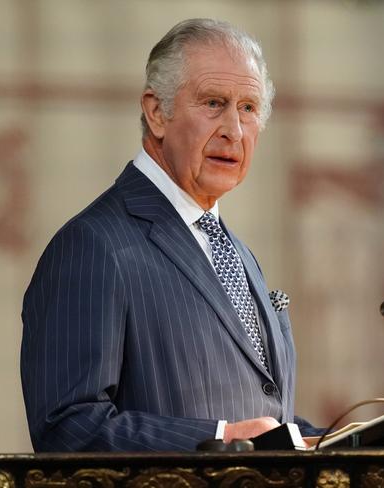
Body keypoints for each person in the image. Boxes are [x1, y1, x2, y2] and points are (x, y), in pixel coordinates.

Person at [21, 18, 322, 452]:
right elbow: (68, 426)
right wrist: (218, 439)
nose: (234, 131)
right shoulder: (93, 247)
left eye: (249, 109)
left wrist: (344, 441)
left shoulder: (236, 251)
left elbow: (260, 411)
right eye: (214, 103)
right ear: (157, 112)